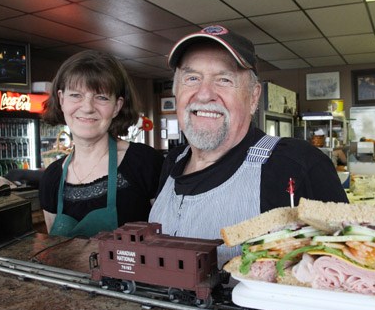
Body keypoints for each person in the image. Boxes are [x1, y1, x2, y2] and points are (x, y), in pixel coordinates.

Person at [149, 25, 348, 265]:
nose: (203, 94)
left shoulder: (298, 165)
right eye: (192, 78)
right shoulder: (172, 161)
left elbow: (345, 267)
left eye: (224, 79)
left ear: (253, 97)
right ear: (176, 91)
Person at [40, 50, 164, 237]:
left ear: (117, 106)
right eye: (76, 95)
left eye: (102, 97)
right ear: (61, 99)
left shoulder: (145, 163)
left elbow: (168, 242)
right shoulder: (52, 178)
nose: (88, 107)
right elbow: (52, 251)